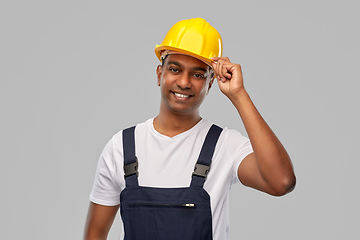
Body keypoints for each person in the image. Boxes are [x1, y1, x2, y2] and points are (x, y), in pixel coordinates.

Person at [84, 18, 296, 240]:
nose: (184, 82)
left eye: (198, 74)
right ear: (159, 73)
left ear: (211, 83)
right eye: (175, 69)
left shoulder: (225, 146)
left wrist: (239, 95)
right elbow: (95, 234)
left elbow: (281, 182)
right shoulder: (121, 147)